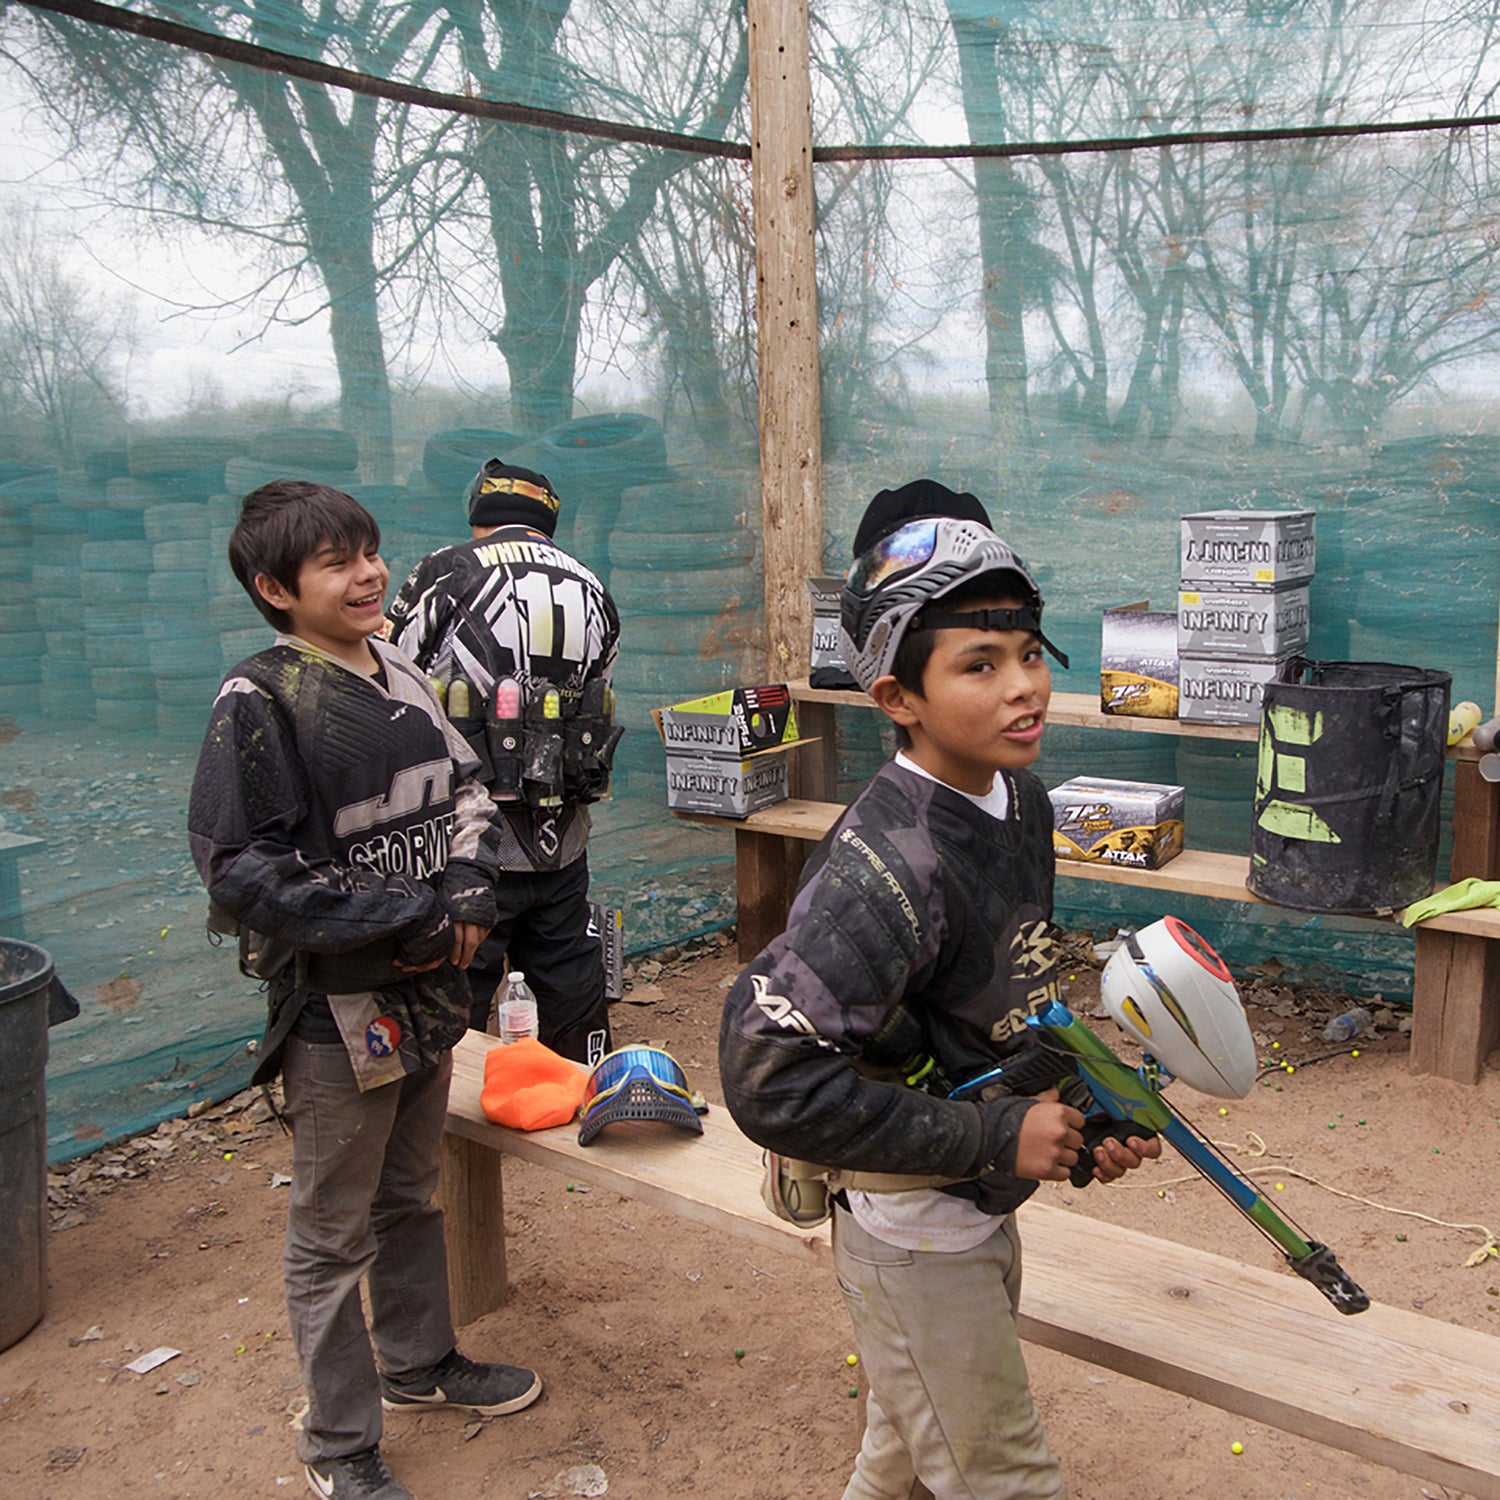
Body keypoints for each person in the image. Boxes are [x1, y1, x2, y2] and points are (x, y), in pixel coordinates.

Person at [718, 495, 1162, 1500]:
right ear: (896, 697)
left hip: (971, 1209)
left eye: (1030, 652)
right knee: (1005, 1476)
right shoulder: (882, 867)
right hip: (911, 1229)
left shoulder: (1022, 799)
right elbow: (766, 1080)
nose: (1024, 687)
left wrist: (1081, 1112)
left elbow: (1009, 993)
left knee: (906, 1454)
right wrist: (991, 1140)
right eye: (980, 664)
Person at [188, 480, 542, 1500]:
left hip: (428, 999)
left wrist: (471, 881)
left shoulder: (400, 667)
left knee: (406, 1197)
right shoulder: (258, 702)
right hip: (339, 1012)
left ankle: (421, 1364)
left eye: (371, 551)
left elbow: (469, 785)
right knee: (331, 1231)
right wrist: (410, 917)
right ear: (274, 587)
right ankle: (340, 1447)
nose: (370, 572)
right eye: (338, 561)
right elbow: (240, 870)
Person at [386, 460, 620, 1065]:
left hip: (470, 843)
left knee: (454, 1016)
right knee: (572, 991)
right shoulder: (594, 586)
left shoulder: (446, 571)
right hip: (563, 837)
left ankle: (451, 1141)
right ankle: (589, 1113)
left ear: (477, 517)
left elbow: (391, 678)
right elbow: (594, 705)